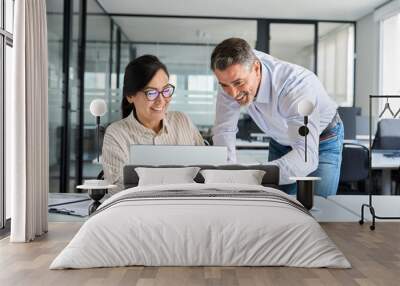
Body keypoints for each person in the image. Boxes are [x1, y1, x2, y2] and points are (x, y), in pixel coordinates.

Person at [211, 38, 344, 198]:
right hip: (280, 140)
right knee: (276, 206)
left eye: (239, 83)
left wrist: (249, 176)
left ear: (256, 68)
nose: (232, 94)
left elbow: (305, 157)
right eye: (224, 85)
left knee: (319, 208)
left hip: (322, 141)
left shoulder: (296, 88)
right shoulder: (231, 77)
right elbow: (224, 130)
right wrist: (228, 177)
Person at [102, 55, 204, 192]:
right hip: (140, 208)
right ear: (130, 96)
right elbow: (118, 189)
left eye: (166, 90)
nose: (161, 100)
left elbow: (206, 172)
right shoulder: (117, 134)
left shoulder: (182, 121)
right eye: (151, 93)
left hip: (186, 204)